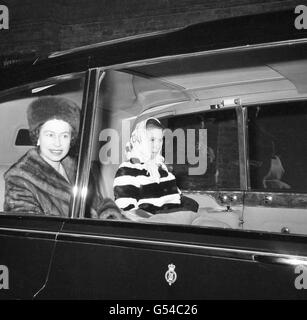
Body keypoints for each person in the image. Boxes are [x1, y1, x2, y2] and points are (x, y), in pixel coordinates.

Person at [4, 96, 122, 219]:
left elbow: (98, 204)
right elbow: (30, 229)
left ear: (71, 139)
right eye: (50, 135)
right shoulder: (19, 178)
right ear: (37, 137)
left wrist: (110, 218)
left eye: (64, 136)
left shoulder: (79, 168)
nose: (58, 143)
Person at [113, 117, 198, 220]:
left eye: (160, 140)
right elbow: (128, 211)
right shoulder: (126, 170)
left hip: (177, 220)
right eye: (152, 140)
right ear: (139, 139)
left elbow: (177, 197)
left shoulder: (161, 167)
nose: (157, 146)